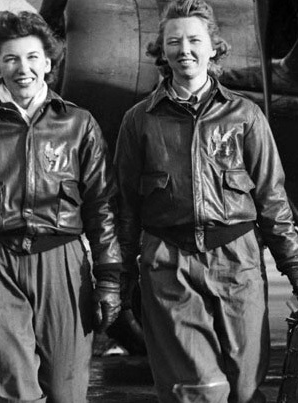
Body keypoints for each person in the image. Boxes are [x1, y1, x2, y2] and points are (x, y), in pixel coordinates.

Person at [0, 10, 123, 403]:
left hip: (63, 262)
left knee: (68, 392)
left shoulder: (79, 124)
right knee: (15, 393)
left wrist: (108, 278)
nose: (23, 69)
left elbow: (101, 207)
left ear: (49, 63)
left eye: (33, 57)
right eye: (11, 59)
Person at [114, 0, 298, 401]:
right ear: (162, 51)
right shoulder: (138, 121)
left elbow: (272, 199)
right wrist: (118, 279)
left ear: (213, 47)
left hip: (237, 261)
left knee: (245, 388)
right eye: (174, 41)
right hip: (169, 262)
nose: (185, 50)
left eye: (195, 40)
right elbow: (125, 207)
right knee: (199, 389)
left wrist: (296, 268)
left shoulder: (246, 115)